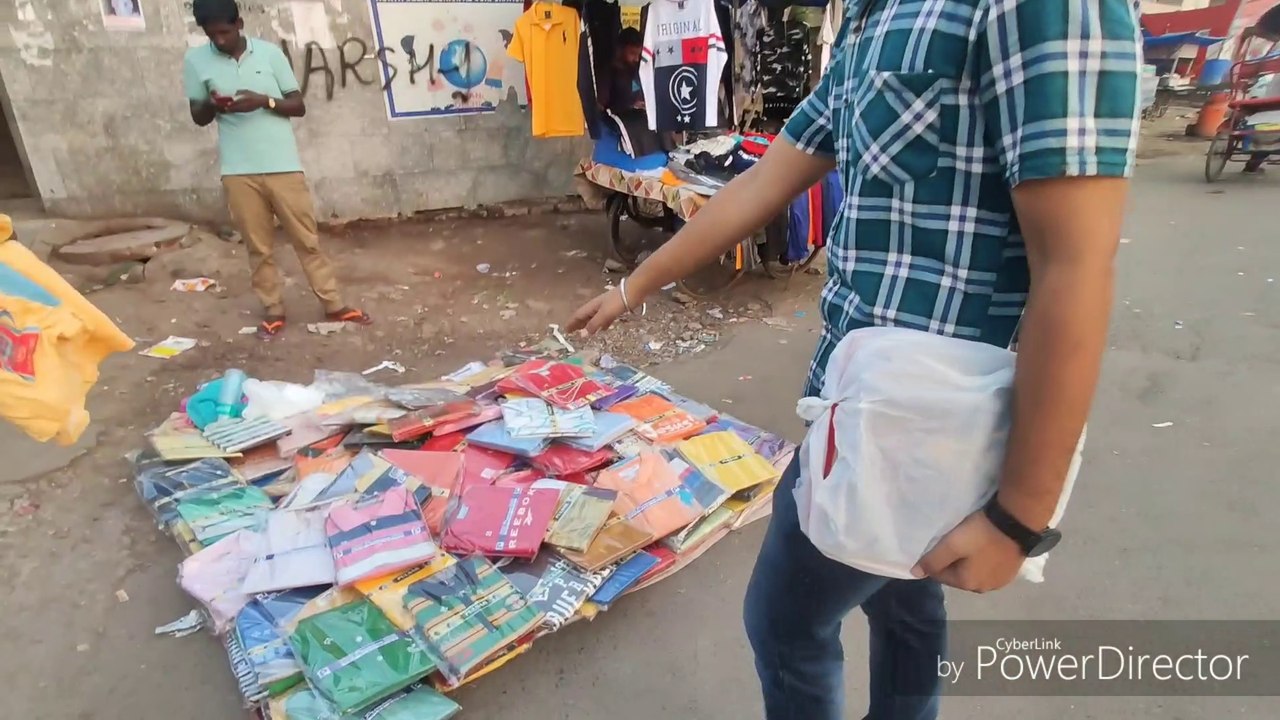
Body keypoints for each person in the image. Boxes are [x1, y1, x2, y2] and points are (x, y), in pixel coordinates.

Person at [567, 0, 1142, 718]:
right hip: (859, 406)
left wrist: (1020, 518)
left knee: (784, 623)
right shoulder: (874, 20)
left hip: (940, 425)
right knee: (904, 602)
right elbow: (758, 182)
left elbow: (1076, 266)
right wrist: (632, 287)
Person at [182, 0, 371, 339]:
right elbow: (198, 116)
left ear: (239, 23)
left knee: (307, 240)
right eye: (212, 35)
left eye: (225, 32)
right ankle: (273, 308)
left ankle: (333, 304)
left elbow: (297, 105)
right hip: (238, 171)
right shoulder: (196, 60)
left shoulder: (270, 54)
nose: (219, 41)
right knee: (258, 246)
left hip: (284, 166)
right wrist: (213, 104)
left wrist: (263, 101)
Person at [598, 28, 645, 112]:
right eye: (632, 53)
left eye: (638, 54)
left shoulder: (634, 71)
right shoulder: (608, 74)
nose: (637, 59)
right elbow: (600, 107)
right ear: (620, 49)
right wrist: (630, 107)